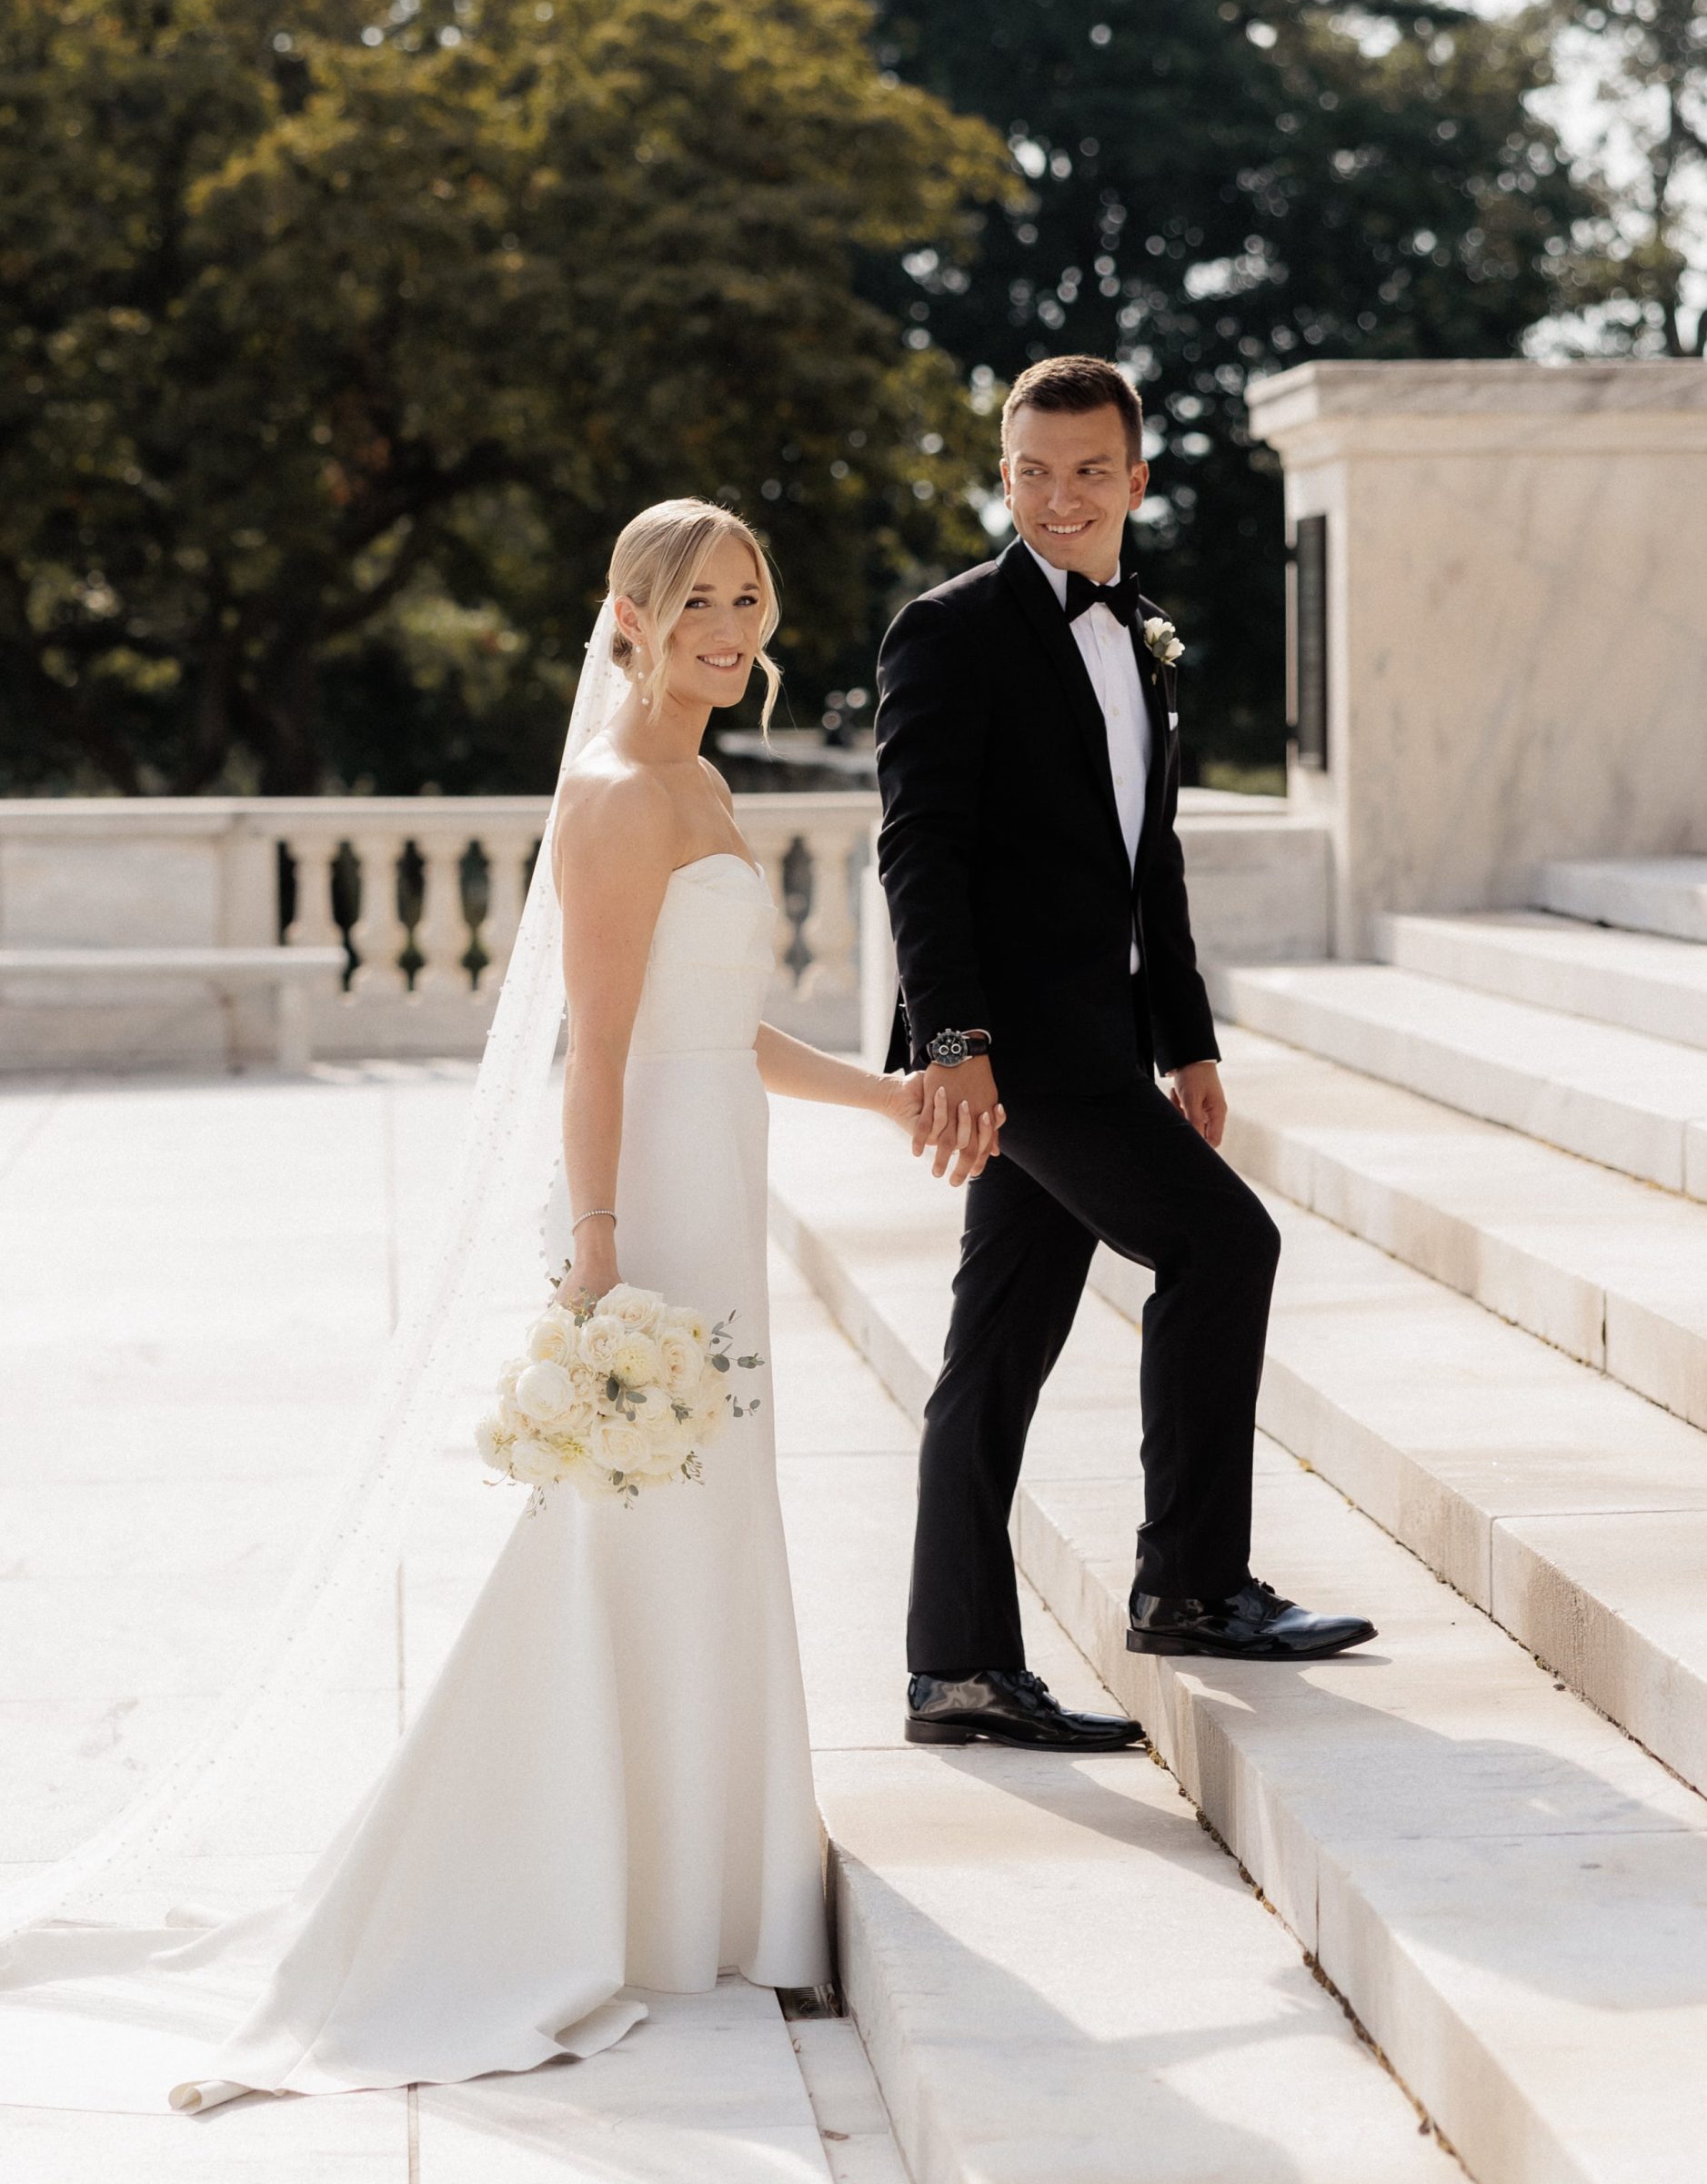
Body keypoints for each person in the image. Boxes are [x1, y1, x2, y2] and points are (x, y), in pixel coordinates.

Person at [0, 497, 992, 2113]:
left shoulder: (701, 777)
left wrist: (889, 1104)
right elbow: (594, 1049)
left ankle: (712, 1878)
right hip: (645, 1195)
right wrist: (598, 1247)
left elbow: (721, 1028)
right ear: (627, 614)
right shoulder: (614, 796)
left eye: (747, 600)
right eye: (695, 605)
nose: (728, 631)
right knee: (622, 1526)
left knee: (710, 1513)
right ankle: (561, 1880)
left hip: (714, 1161)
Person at [875, 355, 1377, 1755]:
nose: (1055, 496)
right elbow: (917, 849)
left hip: (1104, 1039)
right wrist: (956, 1043)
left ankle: (959, 1670)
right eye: (1029, 468)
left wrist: (1189, 1039)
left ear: (1135, 480)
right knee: (1225, 1249)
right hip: (1020, 1058)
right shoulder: (949, 629)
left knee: (997, 1351)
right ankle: (1192, 1587)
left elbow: (1146, 855)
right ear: (1002, 470)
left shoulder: (1141, 630)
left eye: (1087, 469)